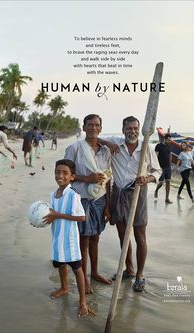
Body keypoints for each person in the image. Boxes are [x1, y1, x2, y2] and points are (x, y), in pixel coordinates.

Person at [99, 116, 161, 292]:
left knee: (140, 236)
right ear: (123, 129)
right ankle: (129, 269)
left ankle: (140, 275)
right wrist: (108, 144)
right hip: (118, 193)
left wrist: (147, 178)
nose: (132, 132)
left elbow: (157, 171)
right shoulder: (116, 143)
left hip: (138, 194)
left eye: (135, 128)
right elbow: (93, 138)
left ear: (140, 130)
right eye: (129, 128)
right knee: (123, 236)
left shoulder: (145, 147)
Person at [64, 114, 112, 293]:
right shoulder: (75, 148)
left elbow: (108, 179)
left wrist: (108, 206)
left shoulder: (106, 151)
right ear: (84, 128)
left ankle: (95, 273)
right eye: (89, 125)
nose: (93, 128)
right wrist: (87, 178)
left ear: (100, 128)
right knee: (83, 240)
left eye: (96, 125)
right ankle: (83, 278)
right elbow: (65, 175)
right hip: (81, 199)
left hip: (99, 200)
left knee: (95, 238)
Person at [43, 159, 88, 317]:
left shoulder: (73, 194)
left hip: (70, 240)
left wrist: (57, 215)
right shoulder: (53, 194)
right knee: (60, 263)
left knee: (77, 269)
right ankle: (64, 287)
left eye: (65, 173)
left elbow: (82, 217)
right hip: (57, 237)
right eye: (57, 172)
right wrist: (46, 216)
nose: (60, 175)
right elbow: (53, 213)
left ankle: (82, 301)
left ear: (72, 177)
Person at [154, 133, 173, 203]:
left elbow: (170, 154)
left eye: (170, 140)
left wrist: (170, 165)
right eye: (168, 140)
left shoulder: (169, 146)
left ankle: (167, 198)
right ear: (164, 139)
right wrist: (157, 167)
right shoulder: (158, 146)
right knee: (161, 182)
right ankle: (156, 190)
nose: (169, 142)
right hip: (161, 167)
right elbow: (155, 156)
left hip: (168, 167)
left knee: (168, 182)